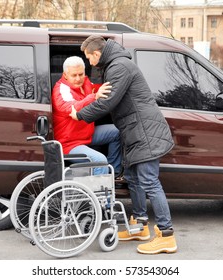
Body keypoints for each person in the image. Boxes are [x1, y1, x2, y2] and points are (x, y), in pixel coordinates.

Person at [70, 35, 177, 254]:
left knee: (149, 181)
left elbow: (108, 102)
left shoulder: (119, 66)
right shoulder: (116, 65)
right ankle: (139, 225)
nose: (89, 63)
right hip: (134, 131)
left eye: (89, 58)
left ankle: (166, 235)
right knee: (133, 178)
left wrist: (79, 114)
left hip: (145, 132)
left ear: (97, 54)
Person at [52, 56, 122, 176]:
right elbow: (72, 107)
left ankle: (113, 175)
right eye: (74, 75)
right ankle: (100, 193)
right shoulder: (61, 90)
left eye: (81, 74)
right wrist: (94, 97)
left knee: (118, 131)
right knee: (100, 161)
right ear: (65, 75)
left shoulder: (85, 82)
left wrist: (117, 87)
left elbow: (97, 89)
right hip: (70, 143)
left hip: (86, 134)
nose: (78, 78)